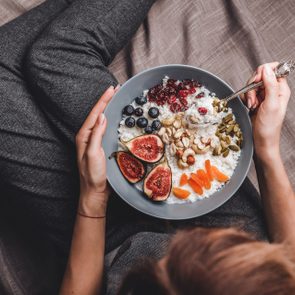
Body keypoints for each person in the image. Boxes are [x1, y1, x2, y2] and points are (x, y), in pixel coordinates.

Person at [0, 0, 291, 294]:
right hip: (223, 224)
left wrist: (92, 201)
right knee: (55, 56)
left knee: (38, 60)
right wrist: (266, 149)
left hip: (105, 244)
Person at [60, 62, 295, 295]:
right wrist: (266, 149)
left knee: (45, 59)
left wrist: (92, 201)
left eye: (167, 265)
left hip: (104, 239)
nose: (188, 241)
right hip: (232, 225)